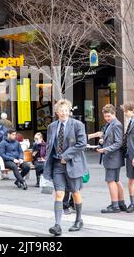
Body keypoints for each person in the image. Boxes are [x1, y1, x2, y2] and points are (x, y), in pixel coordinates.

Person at [44, 99, 88, 236]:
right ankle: (57, 225)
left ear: (69, 111)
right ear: (57, 112)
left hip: (73, 163)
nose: (63, 113)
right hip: (57, 164)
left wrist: (66, 155)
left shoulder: (77, 125)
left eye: (66, 111)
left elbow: (82, 143)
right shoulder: (51, 126)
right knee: (59, 193)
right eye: (61, 111)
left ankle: (78, 220)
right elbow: (49, 144)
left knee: (75, 192)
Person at [93, 104, 127, 213]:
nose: (107, 118)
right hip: (114, 157)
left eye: (108, 116)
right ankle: (121, 203)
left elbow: (118, 143)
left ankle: (115, 205)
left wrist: (105, 149)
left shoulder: (116, 124)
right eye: (105, 116)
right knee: (116, 180)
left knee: (111, 181)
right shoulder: (111, 124)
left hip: (113, 158)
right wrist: (103, 141)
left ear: (114, 114)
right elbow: (113, 140)